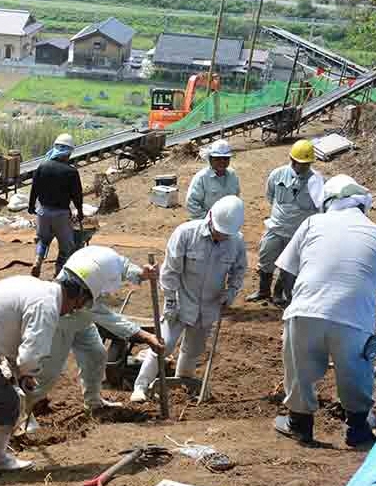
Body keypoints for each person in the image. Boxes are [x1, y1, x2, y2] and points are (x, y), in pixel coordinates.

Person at [272, 175, 376, 447]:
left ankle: (299, 425)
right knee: (356, 372)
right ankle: (357, 430)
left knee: (299, 369)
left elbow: (286, 273)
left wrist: (295, 307)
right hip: (354, 321)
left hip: (305, 312)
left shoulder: (312, 223)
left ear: (328, 203)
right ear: (362, 206)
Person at [0, 272, 93, 472]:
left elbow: (12, 339)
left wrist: (21, 374)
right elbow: (30, 354)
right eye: (75, 307)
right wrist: (29, 372)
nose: (70, 312)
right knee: (7, 403)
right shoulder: (47, 306)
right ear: (77, 298)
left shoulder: (34, 285)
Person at [131, 196, 247, 402]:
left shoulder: (236, 242)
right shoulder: (186, 233)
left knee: (193, 349)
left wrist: (231, 292)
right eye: (218, 232)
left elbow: (239, 271)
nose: (221, 237)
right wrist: (170, 300)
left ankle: (182, 382)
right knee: (162, 345)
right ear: (210, 218)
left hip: (209, 306)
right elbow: (170, 271)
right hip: (181, 300)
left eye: (225, 235)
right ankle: (140, 387)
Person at [24, 246, 164, 417]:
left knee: (96, 355)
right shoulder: (76, 288)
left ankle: (93, 403)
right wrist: (145, 336)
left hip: (83, 320)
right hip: (62, 321)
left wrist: (143, 273)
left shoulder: (105, 260)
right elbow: (109, 319)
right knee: (49, 372)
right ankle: (24, 411)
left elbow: (124, 266)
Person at [247, 139, 324, 308]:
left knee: (289, 267)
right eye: (299, 163)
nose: (302, 167)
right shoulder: (277, 175)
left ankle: (278, 293)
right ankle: (263, 291)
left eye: (306, 164)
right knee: (266, 259)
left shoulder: (317, 181)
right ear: (291, 159)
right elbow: (270, 196)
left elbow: (320, 207)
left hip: (298, 233)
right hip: (275, 227)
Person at [28, 133, 84, 279]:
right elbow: (77, 195)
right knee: (66, 247)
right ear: (69, 152)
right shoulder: (71, 172)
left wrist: (31, 206)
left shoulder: (42, 166)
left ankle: (38, 261)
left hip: (43, 212)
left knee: (43, 240)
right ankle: (58, 275)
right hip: (61, 214)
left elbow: (34, 188)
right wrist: (80, 211)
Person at [186, 139, 241, 219]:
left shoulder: (232, 175)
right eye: (218, 158)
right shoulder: (202, 177)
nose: (222, 162)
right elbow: (192, 202)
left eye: (225, 159)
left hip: (227, 221)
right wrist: (207, 219)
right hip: (205, 222)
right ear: (210, 159)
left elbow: (236, 197)